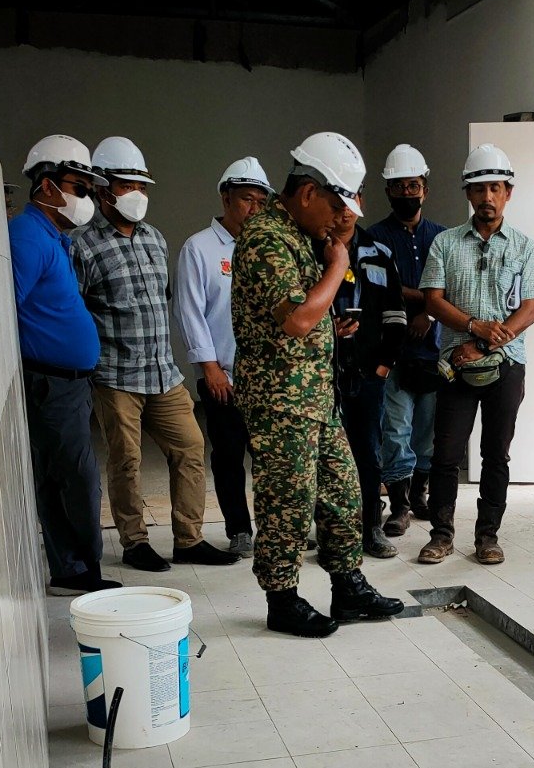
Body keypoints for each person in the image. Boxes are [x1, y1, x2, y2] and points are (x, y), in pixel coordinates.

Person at [230, 132, 404, 637]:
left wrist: (332, 323)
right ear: (308, 193)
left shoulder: (300, 234)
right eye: (336, 207)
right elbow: (297, 319)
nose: (340, 220)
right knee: (288, 500)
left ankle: (347, 587)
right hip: (280, 400)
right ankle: (282, 600)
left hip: (315, 395)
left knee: (343, 491)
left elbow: (310, 312)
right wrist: (339, 266)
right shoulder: (265, 238)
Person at [73, 136, 239, 573]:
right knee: (125, 461)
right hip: (116, 376)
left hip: (163, 372)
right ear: (102, 189)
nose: (137, 195)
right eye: (127, 186)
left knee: (190, 447)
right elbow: (75, 309)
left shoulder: (154, 238)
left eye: (142, 186)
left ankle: (189, 539)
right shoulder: (82, 245)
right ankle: (134, 542)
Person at [416, 143, 534, 567]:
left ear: (508, 192)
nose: (487, 197)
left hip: (506, 366)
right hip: (455, 365)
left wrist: (486, 344)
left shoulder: (525, 247)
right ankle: (441, 535)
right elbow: (433, 300)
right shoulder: (445, 243)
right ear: (468, 194)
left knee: (496, 454)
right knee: (446, 454)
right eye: (479, 189)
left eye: (495, 188)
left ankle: (488, 536)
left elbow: (529, 309)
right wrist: (473, 327)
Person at [9, 135, 119, 596]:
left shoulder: (54, 237)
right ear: (47, 185)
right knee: (74, 479)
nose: (86, 198)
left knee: (67, 476)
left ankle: (75, 569)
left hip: (69, 383)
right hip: (50, 383)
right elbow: (6, 311)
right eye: (79, 187)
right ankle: (76, 572)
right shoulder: (27, 236)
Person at [173, 157, 273, 559]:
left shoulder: (267, 248)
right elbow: (189, 310)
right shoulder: (199, 248)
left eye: (261, 202)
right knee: (229, 457)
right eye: (247, 199)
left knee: (271, 458)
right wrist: (209, 367)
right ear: (226, 198)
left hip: (266, 377)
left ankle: (276, 528)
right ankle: (239, 530)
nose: (253, 208)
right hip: (224, 376)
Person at [366, 145, 446, 536]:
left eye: (412, 185)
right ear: (388, 191)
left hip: (434, 351)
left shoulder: (443, 238)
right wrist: (427, 300)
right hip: (392, 351)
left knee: (426, 434)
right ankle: (398, 507)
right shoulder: (374, 238)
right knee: (396, 431)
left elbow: (452, 290)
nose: (406, 193)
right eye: (398, 186)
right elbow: (379, 289)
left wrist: (428, 312)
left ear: (425, 189)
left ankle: (419, 496)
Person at [329, 190, 407, 559]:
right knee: (323, 454)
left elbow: (396, 316)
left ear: (361, 202)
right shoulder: (311, 250)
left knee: (367, 452)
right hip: (321, 373)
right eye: (338, 201)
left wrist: (383, 366)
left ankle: (371, 527)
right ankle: (329, 530)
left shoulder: (379, 253)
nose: (345, 210)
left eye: (352, 200)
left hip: (368, 373)